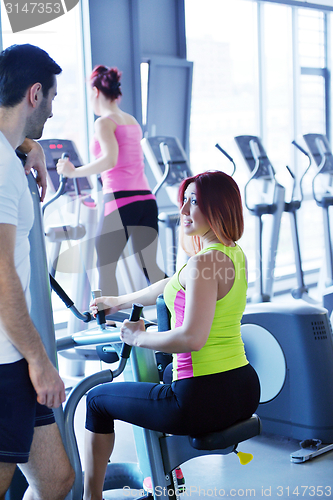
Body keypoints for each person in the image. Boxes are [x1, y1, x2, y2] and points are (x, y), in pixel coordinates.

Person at [84, 170, 261, 500]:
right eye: (184, 201)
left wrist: (137, 337)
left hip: (201, 399)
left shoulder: (201, 265)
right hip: (243, 387)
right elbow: (168, 285)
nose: (183, 211)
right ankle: (161, 474)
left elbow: (192, 338)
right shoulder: (230, 254)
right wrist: (118, 301)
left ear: (219, 207)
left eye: (194, 202)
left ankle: (89, 497)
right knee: (165, 371)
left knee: (96, 400)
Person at [0, 44, 74, 500]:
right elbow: (1, 273)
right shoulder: (3, 170)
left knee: (56, 478)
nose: (52, 109)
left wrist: (32, 147)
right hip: (8, 359)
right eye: (51, 97)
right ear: (34, 94)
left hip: (15, 353)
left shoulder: (10, 156)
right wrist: (40, 361)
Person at [56, 65, 165, 296]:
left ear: (96, 91)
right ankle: (186, 308)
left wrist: (73, 171)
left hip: (121, 199)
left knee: (104, 265)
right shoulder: (131, 121)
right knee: (150, 268)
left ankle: (111, 323)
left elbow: (110, 159)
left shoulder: (104, 122)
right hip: (146, 200)